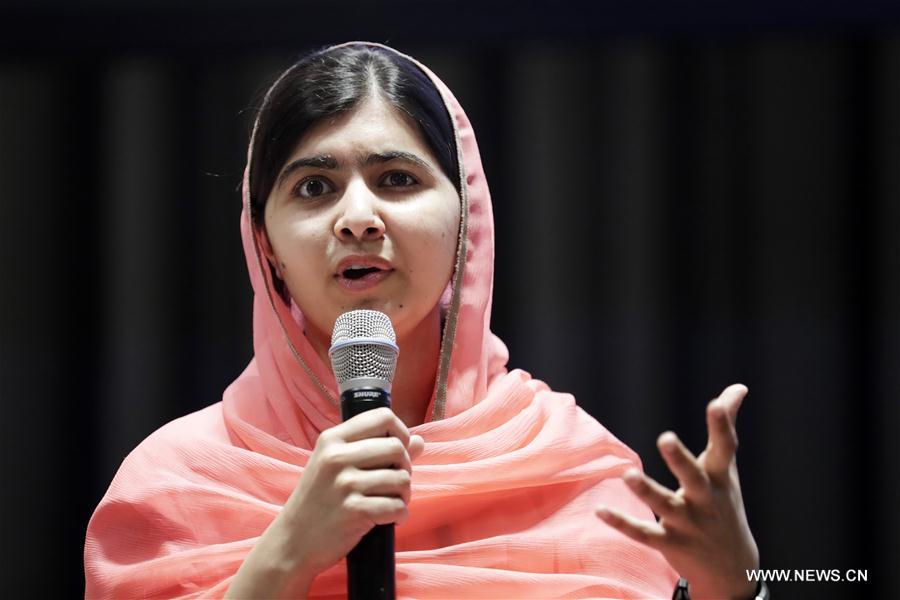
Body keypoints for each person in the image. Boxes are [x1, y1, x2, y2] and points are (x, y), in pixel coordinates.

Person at [84, 41, 761, 599]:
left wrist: (736, 591)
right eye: (314, 188)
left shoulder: (576, 470)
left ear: (466, 223)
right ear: (266, 249)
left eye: (397, 180)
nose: (357, 217)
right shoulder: (175, 484)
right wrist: (286, 554)